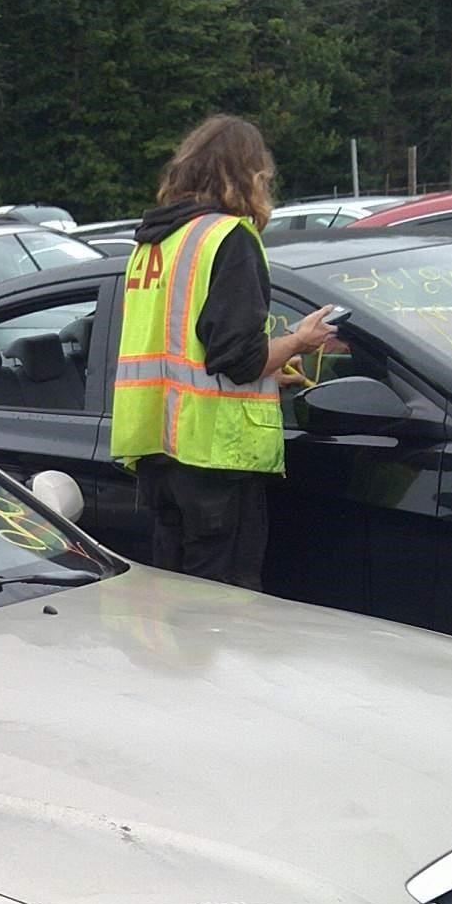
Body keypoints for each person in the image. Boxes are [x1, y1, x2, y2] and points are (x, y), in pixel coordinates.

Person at [111, 115, 338, 588]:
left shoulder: (155, 241)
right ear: (248, 174)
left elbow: (185, 348)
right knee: (222, 613)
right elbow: (236, 358)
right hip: (214, 462)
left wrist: (270, 373)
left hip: (159, 453)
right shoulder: (227, 239)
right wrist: (300, 339)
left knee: (174, 606)